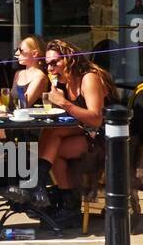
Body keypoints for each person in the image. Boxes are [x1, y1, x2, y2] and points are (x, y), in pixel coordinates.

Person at [13, 38, 112, 220]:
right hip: (85, 131)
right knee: (51, 137)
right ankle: (59, 198)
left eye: (54, 63)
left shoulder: (88, 78)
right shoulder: (65, 81)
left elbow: (96, 119)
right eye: (47, 64)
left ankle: (46, 190)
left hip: (107, 138)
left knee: (54, 143)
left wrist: (64, 103)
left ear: (69, 59)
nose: (50, 68)